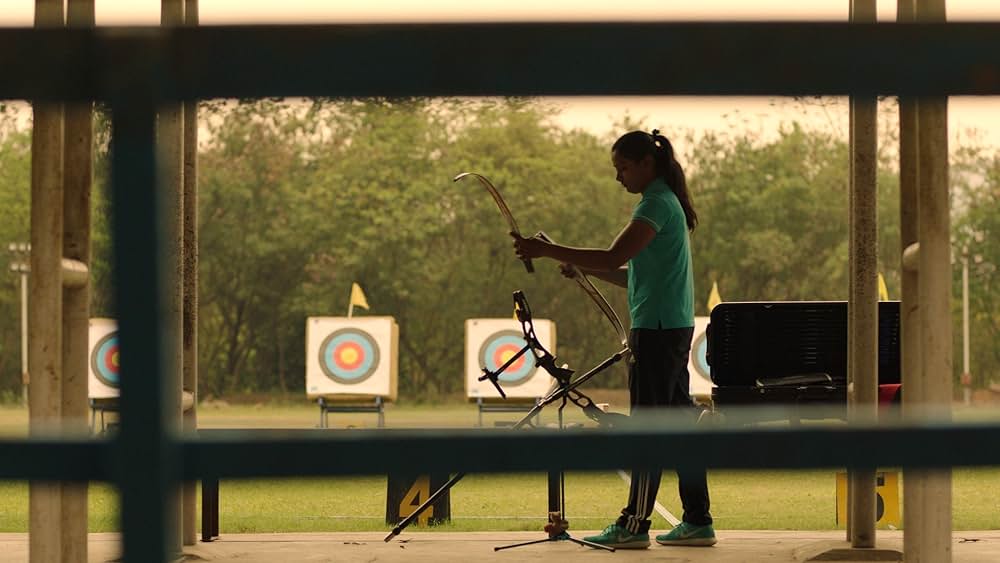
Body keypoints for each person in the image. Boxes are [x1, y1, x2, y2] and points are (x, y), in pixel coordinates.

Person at [511, 129, 715, 549]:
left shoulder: (655, 204)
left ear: (646, 164)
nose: (619, 177)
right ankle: (697, 520)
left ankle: (635, 524)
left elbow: (611, 256)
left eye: (623, 168)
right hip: (669, 329)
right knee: (679, 426)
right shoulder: (663, 203)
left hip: (658, 333)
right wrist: (582, 267)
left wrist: (549, 251)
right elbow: (627, 273)